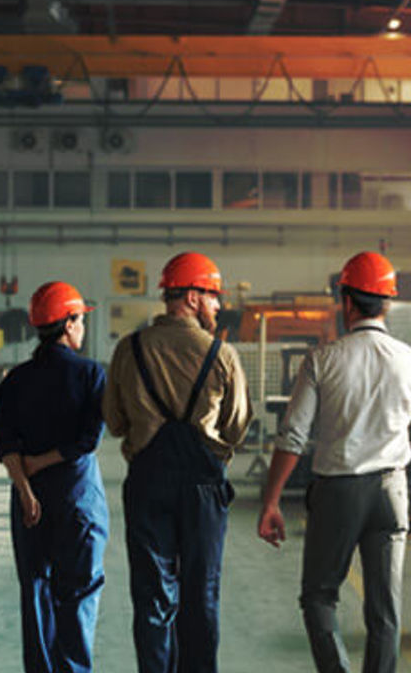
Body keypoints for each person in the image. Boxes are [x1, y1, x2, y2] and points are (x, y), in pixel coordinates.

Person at [257, 251, 411, 673]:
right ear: (386, 304)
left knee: (319, 595)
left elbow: (293, 437)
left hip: (339, 489)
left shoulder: (324, 359)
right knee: (384, 608)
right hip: (392, 490)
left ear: (347, 303)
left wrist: (271, 502)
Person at [103, 251, 253, 673]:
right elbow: (237, 426)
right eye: (212, 295)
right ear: (190, 296)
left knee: (152, 596)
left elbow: (114, 423)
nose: (218, 305)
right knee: (201, 593)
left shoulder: (128, 350)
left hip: (147, 483)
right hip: (203, 486)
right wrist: (210, 443)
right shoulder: (222, 355)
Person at [0, 281, 109, 673]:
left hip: (29, 503)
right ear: (70, 322)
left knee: (36, 589)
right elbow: (89, 439)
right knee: (78, 592)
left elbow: (3, 439)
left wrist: (25, 485)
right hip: (77, 497)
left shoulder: (16, 380)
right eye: (81, 320)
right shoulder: (91, 374)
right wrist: (42, 464)